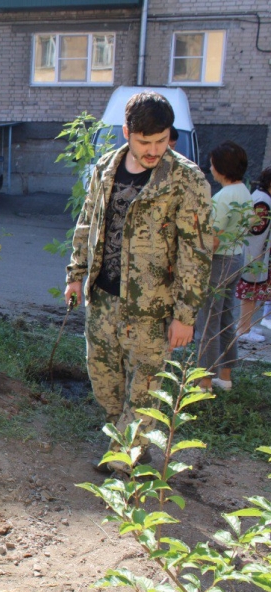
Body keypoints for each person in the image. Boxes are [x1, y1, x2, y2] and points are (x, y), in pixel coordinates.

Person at [65, 91, 213, 474]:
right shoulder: (105, 168)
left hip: (152, 307)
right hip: (103, 299)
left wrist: (185, 314)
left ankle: (123, 459)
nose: (152, 150)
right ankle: (128, 437)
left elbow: (195, 252)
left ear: (170, 135)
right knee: (104, 379)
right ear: (127, 132)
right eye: (144, 142)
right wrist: (76, 275)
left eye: (161, 141)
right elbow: (88, 224)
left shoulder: (185, 180)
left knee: (143, 386)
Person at [195, 142, 252, 391]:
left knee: (207, 321)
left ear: (220, 167)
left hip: (218, 262)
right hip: (237, 258)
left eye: (212, 163)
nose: (210, 167)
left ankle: (204, 381)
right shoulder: (244, 191)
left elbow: (213, 239)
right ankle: (225, 377)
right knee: (226, 319)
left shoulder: (223, 197)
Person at [235, 167, 271, 344]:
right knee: (250, 292)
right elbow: (256, 230)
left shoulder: (262, 197)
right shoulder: (263, 201)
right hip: (253, 254)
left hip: (254, 254)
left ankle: (246, 326)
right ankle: (243, 329)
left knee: (252, 292)